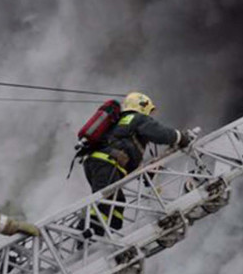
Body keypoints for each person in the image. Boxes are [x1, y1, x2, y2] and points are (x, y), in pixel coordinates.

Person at [82, 92, 191, 232]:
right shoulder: (137, 118)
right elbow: (160, 133)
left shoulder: (121, 123)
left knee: (117, 203)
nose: (150, 116)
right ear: (142, 106)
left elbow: (127, 152)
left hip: (100, 163)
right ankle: (86, 241)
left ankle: (111, 233)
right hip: (107, 163)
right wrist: (180, 137)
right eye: (149, 111)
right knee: (103, 204)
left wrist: (147, 172)